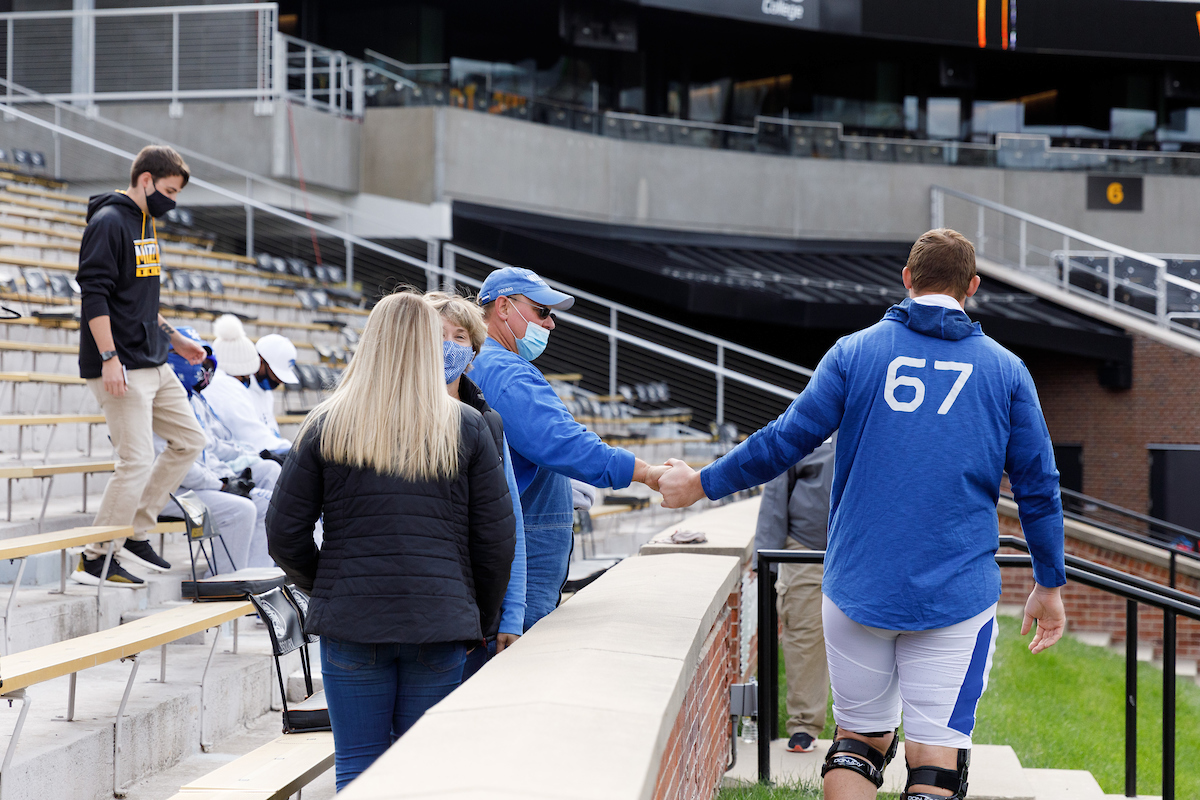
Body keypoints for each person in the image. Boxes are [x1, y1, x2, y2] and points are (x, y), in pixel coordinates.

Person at [657, 229, 1067, 800]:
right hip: (956, 596)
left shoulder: (854, 352)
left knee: (858, 741)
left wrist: (700, 482)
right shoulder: (1007, 371)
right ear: (972, 287)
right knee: (936, 760)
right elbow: (1039, 488)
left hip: (856, 587)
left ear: (907, 278)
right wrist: (1049, 582)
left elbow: (783, 442)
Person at [266, 291, 515, 790]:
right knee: (421, 775)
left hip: (353, 623)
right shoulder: (466, 425)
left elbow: (284, 533)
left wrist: (329, 586)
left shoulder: (327, 422)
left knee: (357, 767)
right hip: (439, 622)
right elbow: (495, 541)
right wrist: (478, 618)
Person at [469, 266, 661, 631]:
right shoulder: (506, 371)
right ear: (504, 307)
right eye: (541, 310)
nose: (551, 323)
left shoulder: (479, 362)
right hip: (519, 563)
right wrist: (646, 472)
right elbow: (564, 442)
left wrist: (555, 482)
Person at [73, 144, 207, 586]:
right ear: (146, 180)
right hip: (121, 364)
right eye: (169, 191)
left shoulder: (146, 223)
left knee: (190, 440)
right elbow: (94, 295)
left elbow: (138, 300)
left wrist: (175, 338)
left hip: (154, 359)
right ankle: (95, 557)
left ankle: (135, 530)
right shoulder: (109, 222)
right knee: (135, 460)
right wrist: (109, 358)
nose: (173, 201)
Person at [426, 291, 527, 676]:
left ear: (472, 352)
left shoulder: (487, 423)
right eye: (438, 335)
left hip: (475, 616)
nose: (448, 346)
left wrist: (512, 613)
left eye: (459, 337)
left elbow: (510, 524)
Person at [165, 327, 278, 573]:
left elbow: (211, 449)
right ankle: (223, 583)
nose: (201, 367)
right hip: (168, 495)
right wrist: (222, 485)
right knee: (240, 510)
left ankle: (256, 580)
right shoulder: (162, 402)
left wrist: (237, 470)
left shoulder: (192, 398)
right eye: (193, 358)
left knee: (265, 499)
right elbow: (178, 468)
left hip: (197, 485)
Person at [755, 433, 836, 755]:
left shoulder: (886, 419)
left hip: (865, 548)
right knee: (803, 634)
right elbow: (776, 490)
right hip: (805, 548)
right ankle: (804, 723)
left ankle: (865, 729)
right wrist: (767, 556)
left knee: (871, 636)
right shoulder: (808, 423)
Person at [205, 315, 292, 455]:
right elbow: (254, 437)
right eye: (245, 375)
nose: (248, 378)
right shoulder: (227, 389)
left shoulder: (223, 385)